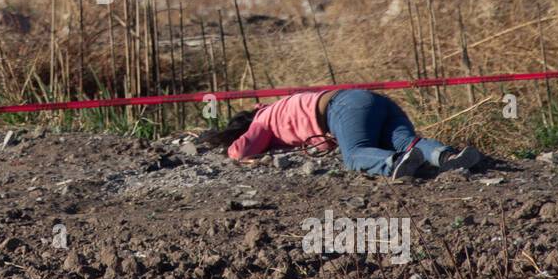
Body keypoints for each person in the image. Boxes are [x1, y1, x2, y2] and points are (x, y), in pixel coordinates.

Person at [197, 88, 482, 179]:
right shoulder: (283, 106)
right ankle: (447, 156)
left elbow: (241, 151)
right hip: (372, 99)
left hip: (341, 107)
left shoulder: (264, 117)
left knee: (356, 153)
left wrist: (232, 146)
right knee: (409, 140)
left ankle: (394, 164)